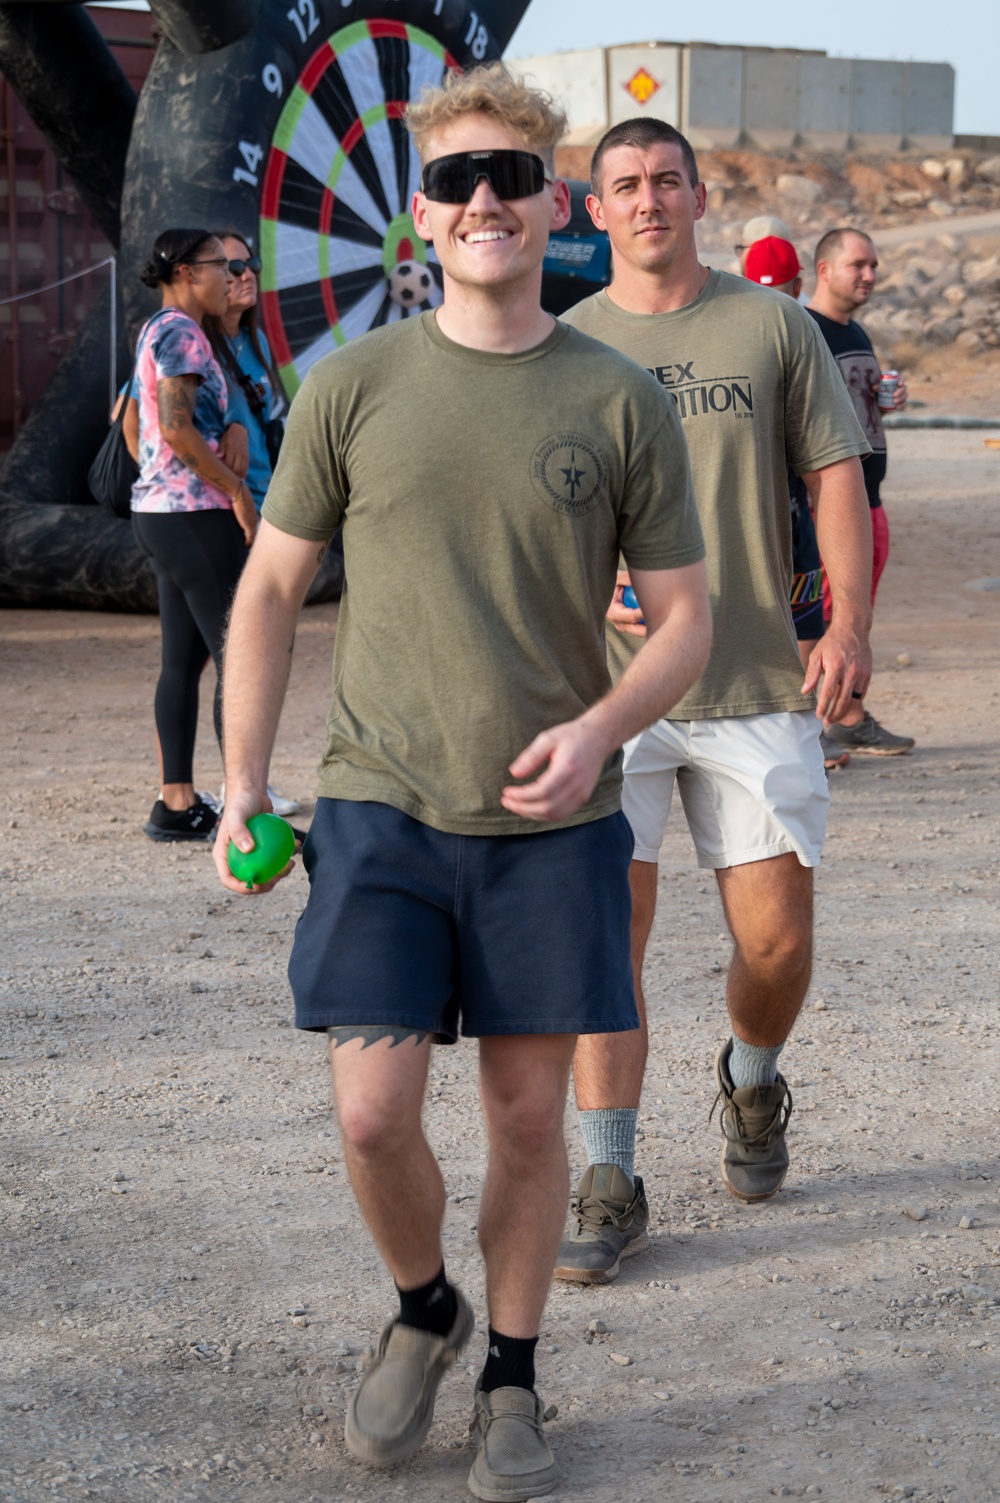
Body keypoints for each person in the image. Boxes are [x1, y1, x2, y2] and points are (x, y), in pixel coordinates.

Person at [212, 66, 711, 1500]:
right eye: (455, 181)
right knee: (372, 1113)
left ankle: (510, 1368)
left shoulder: (618, 399)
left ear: (553, 202)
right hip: (378, 803)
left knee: (527, 1122)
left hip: (551, 824)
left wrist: (600, 726)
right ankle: (422, 1302)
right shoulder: (352, 387)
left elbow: (683, 619)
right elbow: (267, 592)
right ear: (422, 217)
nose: (483, 200)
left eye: (509, 177)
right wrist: (243, 781)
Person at [553, 117, 874, 1285]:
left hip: (749, 675)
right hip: (604, 696)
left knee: (776, 941)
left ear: (698, 196)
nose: (648, 201)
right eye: (625, 186)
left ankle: (749, 1078)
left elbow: (830, 474)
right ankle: (607, 1173)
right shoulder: (561, 342)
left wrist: (846, 620)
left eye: (666, 181)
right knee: (602, 945)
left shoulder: (769, 324)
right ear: (594, 211)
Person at [130, 229, 258, 842]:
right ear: (185, 271)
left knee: (183, 660)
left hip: (163, 512)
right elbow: (177, 429)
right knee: (243, 656)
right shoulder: (180, 331)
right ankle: (246, 807)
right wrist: (235, 491)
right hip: (192, 514)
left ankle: (176, 805)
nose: (231, 275)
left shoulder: (163, 329)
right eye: (219, 265)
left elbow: (149, 423)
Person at [807, 227, 915, 757]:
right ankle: (818, 726)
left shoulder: (856, 333)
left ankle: (847, 716)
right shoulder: (807, 331)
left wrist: (887, 399)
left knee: (857, 615)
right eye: (858, 265)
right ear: (824, 270)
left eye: (873, 265)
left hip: (872, 499)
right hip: (829, 506)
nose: (870, 275)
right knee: (827, 616)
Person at [743, 235, 848, 770]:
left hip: (795, 515)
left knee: (805, 617)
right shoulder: (740, 331)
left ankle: (805, 727)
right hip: (751, 515)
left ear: (798, 288)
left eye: (782, 291)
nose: (775, 300)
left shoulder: (799, 333)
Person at [206, 231, 300, 817]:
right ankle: (238, 788)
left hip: (269, 505)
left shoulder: (255, 343)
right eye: (231, 265)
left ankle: (195, 792)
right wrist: (221, 467)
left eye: (251, 264)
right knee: (242, 649)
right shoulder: (195, 344)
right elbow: (137, 415)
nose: (244, 274)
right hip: (229, 516)